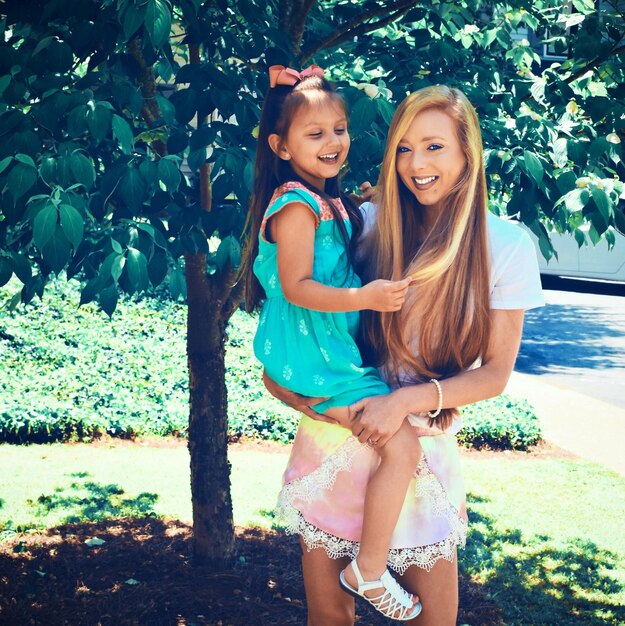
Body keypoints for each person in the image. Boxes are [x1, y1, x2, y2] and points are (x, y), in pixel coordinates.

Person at [263, 84, 544, 626]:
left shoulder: (506, 245)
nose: (416, 164)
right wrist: (294, 392)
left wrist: (409, 400)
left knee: (433, 621)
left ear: (468, 151)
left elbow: (495, 375)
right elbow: (300, 313)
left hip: (420, 447)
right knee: (329, 617)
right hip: (339, 435)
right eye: (404, 148)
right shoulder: (362, 227)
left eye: (434, 146)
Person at [240, 65, 428, 621]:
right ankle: (368, 570)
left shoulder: (327, 202)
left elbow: (334, 251)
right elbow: (297, 287)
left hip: (328, 354)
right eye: (315, 134)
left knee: (395, 443)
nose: (333, 143)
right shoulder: (296, 205)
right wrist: (366, 298)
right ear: (280, 145)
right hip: (313, 357)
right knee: (401, 445)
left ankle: (365, 559)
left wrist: (363, 202)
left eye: (340, 130)